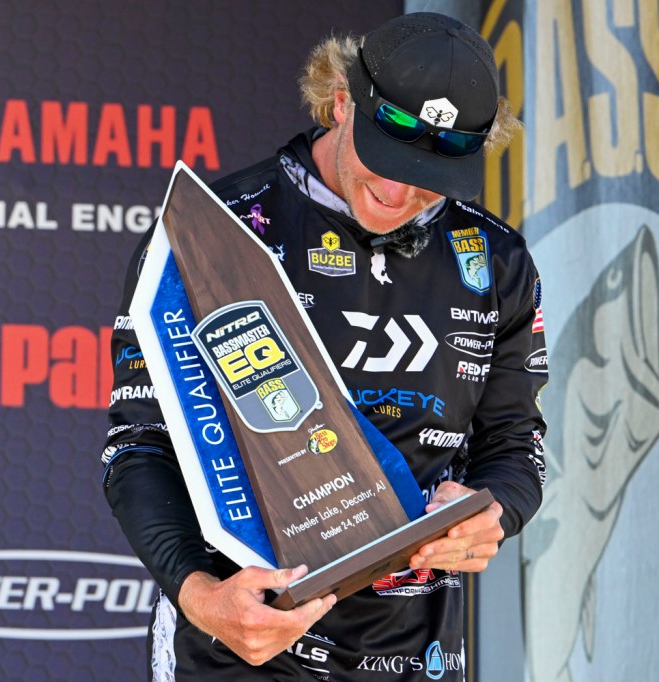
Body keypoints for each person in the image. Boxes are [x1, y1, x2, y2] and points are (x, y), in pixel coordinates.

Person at [101, 12, 548, 680]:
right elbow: (138, 446)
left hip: (417, 655)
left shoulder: (497, 260)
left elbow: (516, 445)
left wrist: (494, 513)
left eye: (428, 176)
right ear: (342, 103)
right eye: (386, 160)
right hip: (237, 648)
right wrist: (199, 595)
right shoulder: (210, 232)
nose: (397, 192)